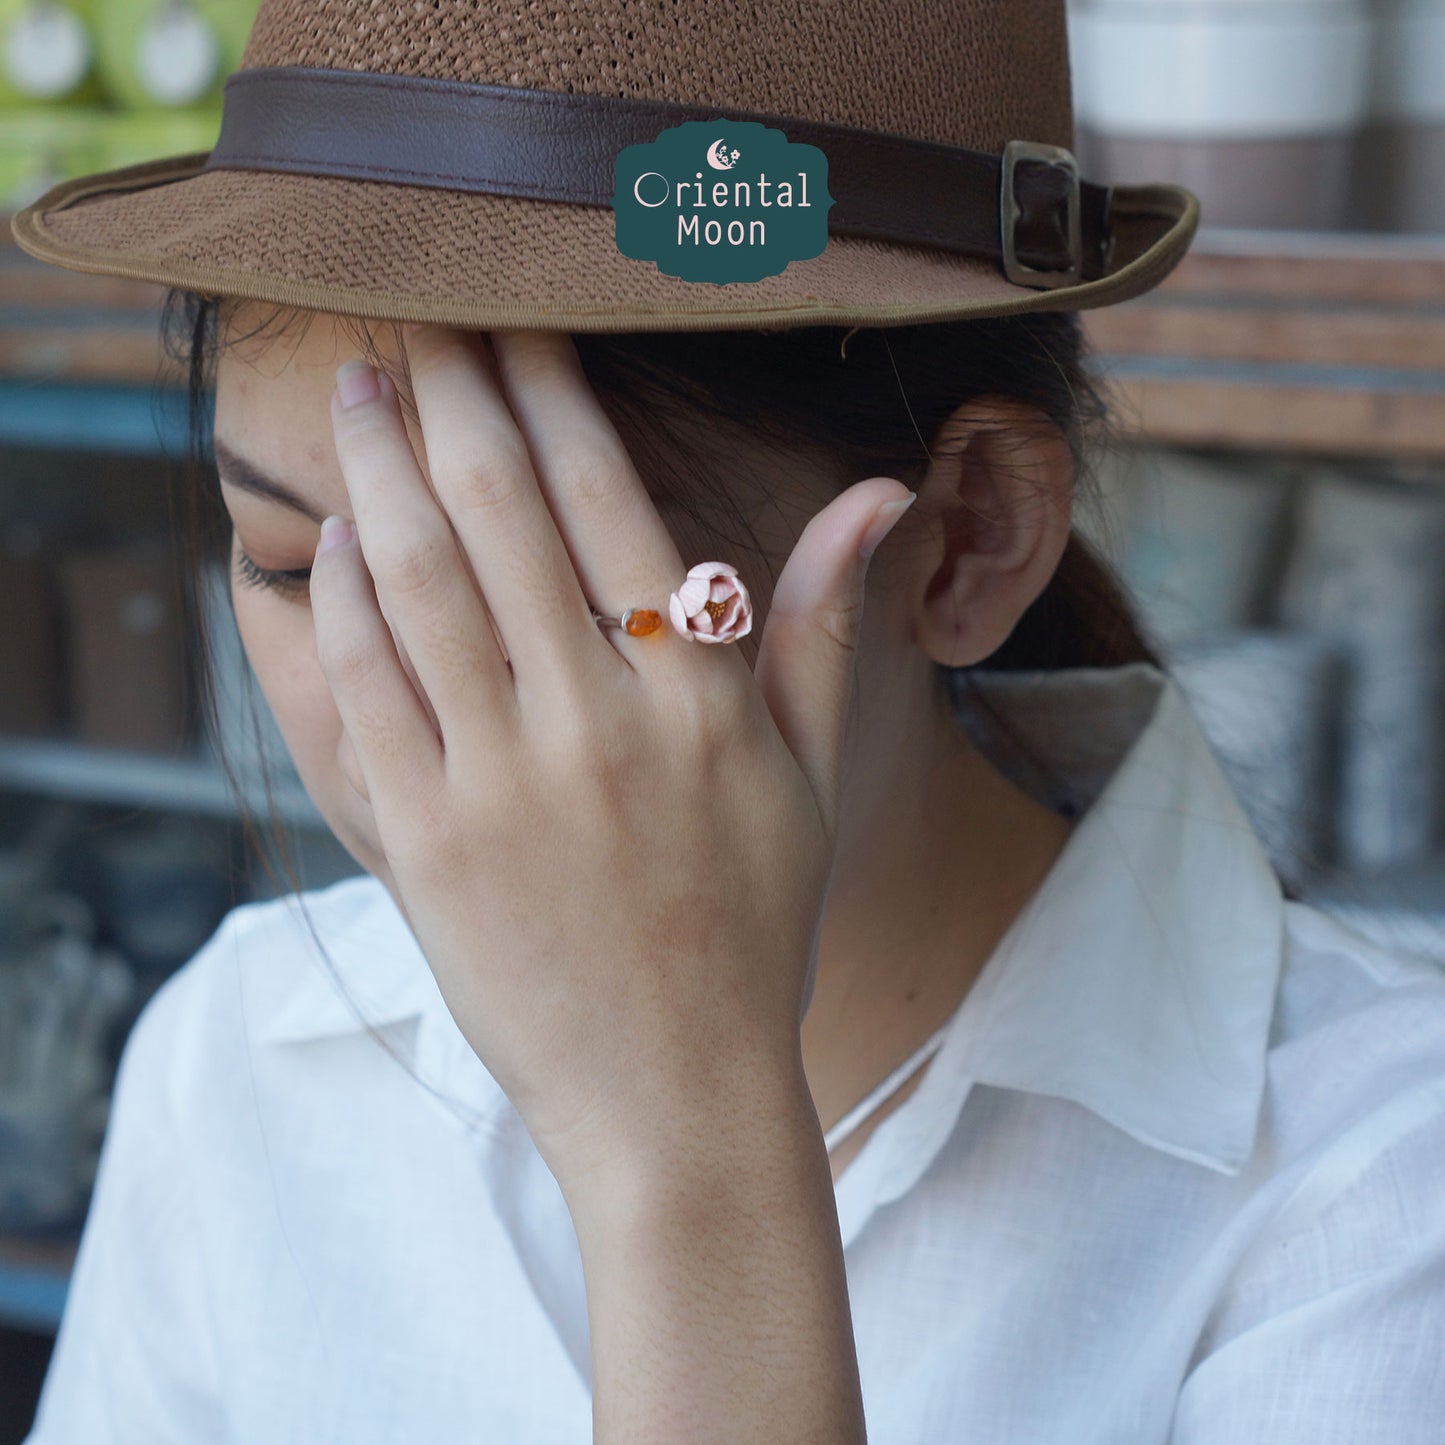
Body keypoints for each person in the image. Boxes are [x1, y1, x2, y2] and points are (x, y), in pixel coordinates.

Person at [12, 3, 1445, 1441]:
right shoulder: (241, 1054)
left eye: (536, 587)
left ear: (969, 540)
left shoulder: (1376, 1184)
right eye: (285, 562)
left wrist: (685, 1157)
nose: (392, 707)